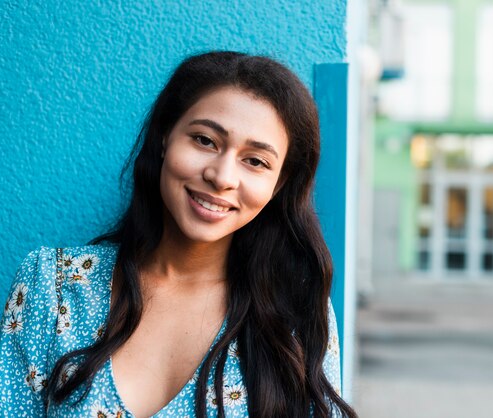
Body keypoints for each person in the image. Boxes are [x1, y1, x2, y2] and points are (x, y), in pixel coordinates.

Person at [0, 51, 358, 418]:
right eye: (205, 140)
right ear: (165, 138)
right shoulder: (52, 283)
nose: (222, 176)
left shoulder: (295, 315)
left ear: (278, 184)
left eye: (255, 161)